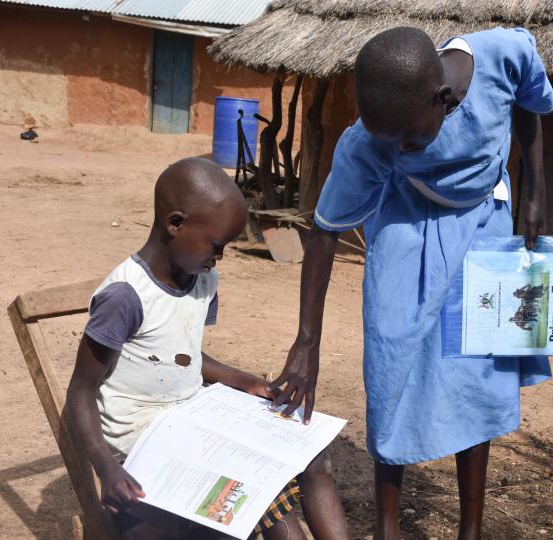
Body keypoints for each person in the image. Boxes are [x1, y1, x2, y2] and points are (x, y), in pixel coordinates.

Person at [268, 26, 553, 539]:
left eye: (408, 138)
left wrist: (535, 188)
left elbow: (528, 103)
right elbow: (326, 229)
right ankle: (387, 528)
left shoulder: (504, 54)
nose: (399, 146)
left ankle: (471, 527)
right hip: (405, 231)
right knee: (391, 364)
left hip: (485, 226)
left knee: (480, 372)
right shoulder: (367, 141)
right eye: (390, 139)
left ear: (442, 99)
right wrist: (305, 341)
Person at [64, 158, 350, 540]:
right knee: (255, 486)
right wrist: (105, 467)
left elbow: (182, 357)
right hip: (138, 445)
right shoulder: (126, 298)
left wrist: (244, 381)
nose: (221, 257)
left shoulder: (202, 277)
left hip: (187, 423)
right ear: (175, 224)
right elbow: (79, 393)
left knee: (308, 455)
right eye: (217, 245)